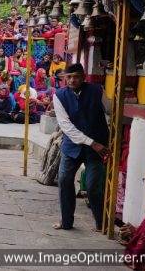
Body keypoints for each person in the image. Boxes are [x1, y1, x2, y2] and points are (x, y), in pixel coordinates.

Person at [53, 63, 109, 232]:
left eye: (76, 76)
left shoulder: (97, 91)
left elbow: (110, 111)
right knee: (64, 181)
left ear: (84, 77)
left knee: (93, 186)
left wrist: (106, 140)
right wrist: (92, 143)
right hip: (73, 146)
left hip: (98, 145)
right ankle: (66, 222)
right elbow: (66, 126)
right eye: (68, 77)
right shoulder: (59, 95)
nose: (72, 80)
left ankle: (101, 223)